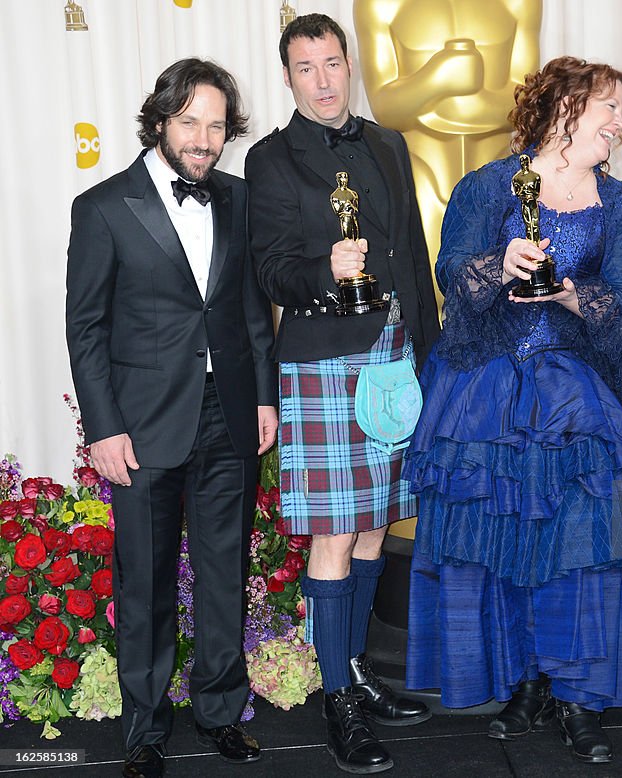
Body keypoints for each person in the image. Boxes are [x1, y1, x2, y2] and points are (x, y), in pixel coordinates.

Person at [404, 56, 622, 765]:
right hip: (487, 396)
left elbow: (620, 301)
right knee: (505, 545)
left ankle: (581, 697)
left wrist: (563, 294)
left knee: (585, 549)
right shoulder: (488, 186)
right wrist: (503, 260)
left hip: (580, 401)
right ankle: (526, 684)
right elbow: (452, 276)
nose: (619, 124)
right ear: (564, 107)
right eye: (609, 107)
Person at [66, 58, 277, 778]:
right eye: (190, 122)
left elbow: (250, 308)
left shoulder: (239, 199)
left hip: (229, 416)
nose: (205, 138)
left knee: (224, 571)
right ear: (160, 120)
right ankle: (145, 730)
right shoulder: (102, 207)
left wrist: (264, 397)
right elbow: (86, 328)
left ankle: (220, 711)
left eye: (217, 125)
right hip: (142, 426)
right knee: (146, 583)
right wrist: (103, 427)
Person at [244, 13, 440, 775]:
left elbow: (412, 258)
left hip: (394, 356)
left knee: (371, 528)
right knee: (333, 532)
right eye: (306, 68)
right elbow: (270, 269)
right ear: (287, 76)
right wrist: (326, 271)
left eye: (333, 63)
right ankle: (338, 704)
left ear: (350, 63)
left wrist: (430, 355)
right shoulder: (269, 158)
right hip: (323, 360)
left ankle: (353, 670)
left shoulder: (389, 143)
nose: (323, 81)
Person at [353, 0, 542, 313]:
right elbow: (385, 107)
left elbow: (527, 100)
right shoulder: (380, 5)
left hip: (498, 177)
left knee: (505, 300)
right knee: (429, 295)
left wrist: (442, 98)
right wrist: (437, 77)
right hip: (420, 174)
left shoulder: (519, 3)